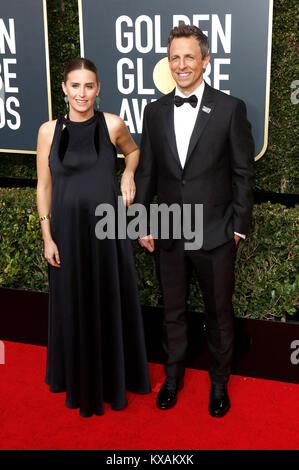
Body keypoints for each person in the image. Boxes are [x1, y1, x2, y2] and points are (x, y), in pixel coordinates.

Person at [135, 25, 254, 417]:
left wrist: (237, 227)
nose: (181, 64)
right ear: (167, 63)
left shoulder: (230, 108)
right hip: (169, 230)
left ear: (205, 60)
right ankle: (173, 378)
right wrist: (143, 221)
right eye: (174, 57)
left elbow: (242, 173)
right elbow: (147, 173)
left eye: (189, 57)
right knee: (173, 310)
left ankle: (219, 384)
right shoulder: (154, 112)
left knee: (219, 313)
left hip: (216, 233)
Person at [36, 57, 151, 417]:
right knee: (74, 300)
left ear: (98, 89)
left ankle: (115, 376)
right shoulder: (48, 131)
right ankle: (77, 376)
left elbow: (134, 152)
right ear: (65, 89)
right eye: (75, 86)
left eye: (89, 86)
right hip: (67, 233)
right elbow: (43, 185)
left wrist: (128, 174)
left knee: (109, 298)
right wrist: (47, 236)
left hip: (108, 231)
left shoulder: (113, 124)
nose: (82, 93)